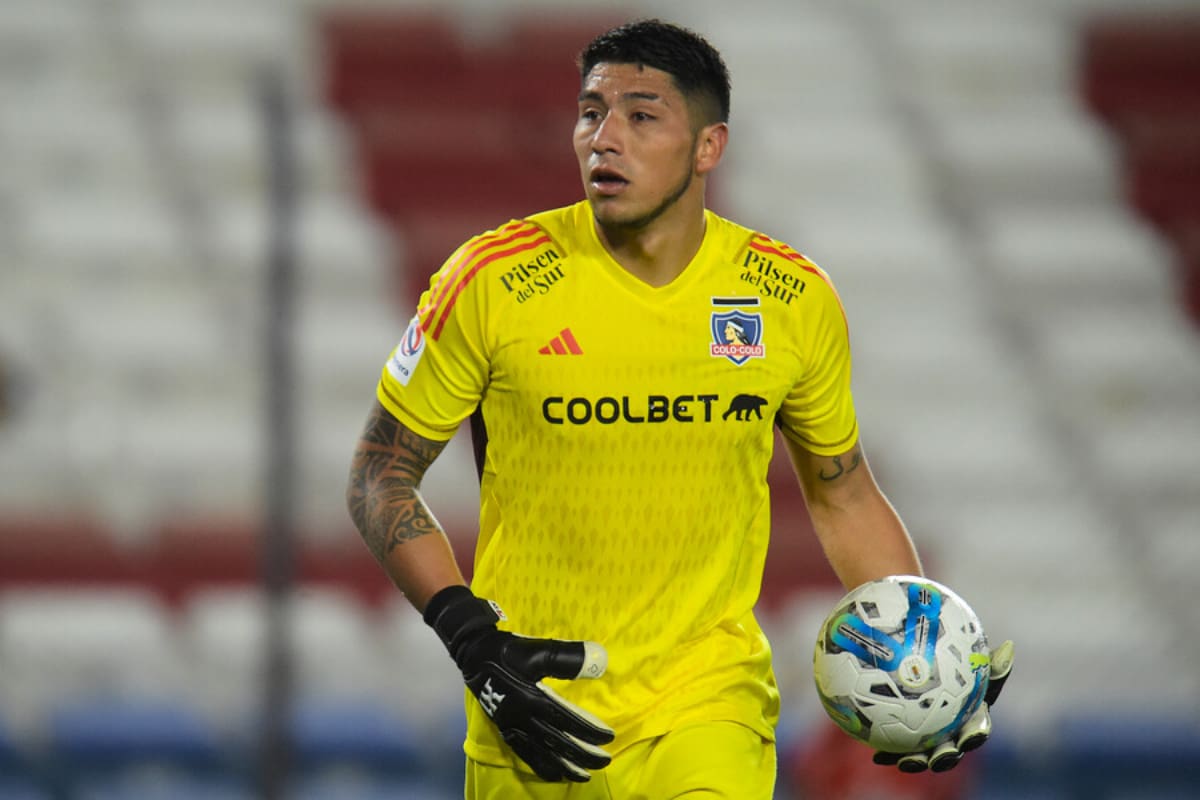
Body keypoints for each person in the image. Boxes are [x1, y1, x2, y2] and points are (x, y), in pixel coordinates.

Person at [346, 18, 1013, 799]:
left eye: (641, 115)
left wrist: (923, 663)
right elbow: (379, 478)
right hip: (533, 711)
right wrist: (470, 640)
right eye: (591, 112)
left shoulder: (789, 298)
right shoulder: (492, 283)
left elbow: (844, 493)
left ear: (708, 147)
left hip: (708, 703)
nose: (605, 138)